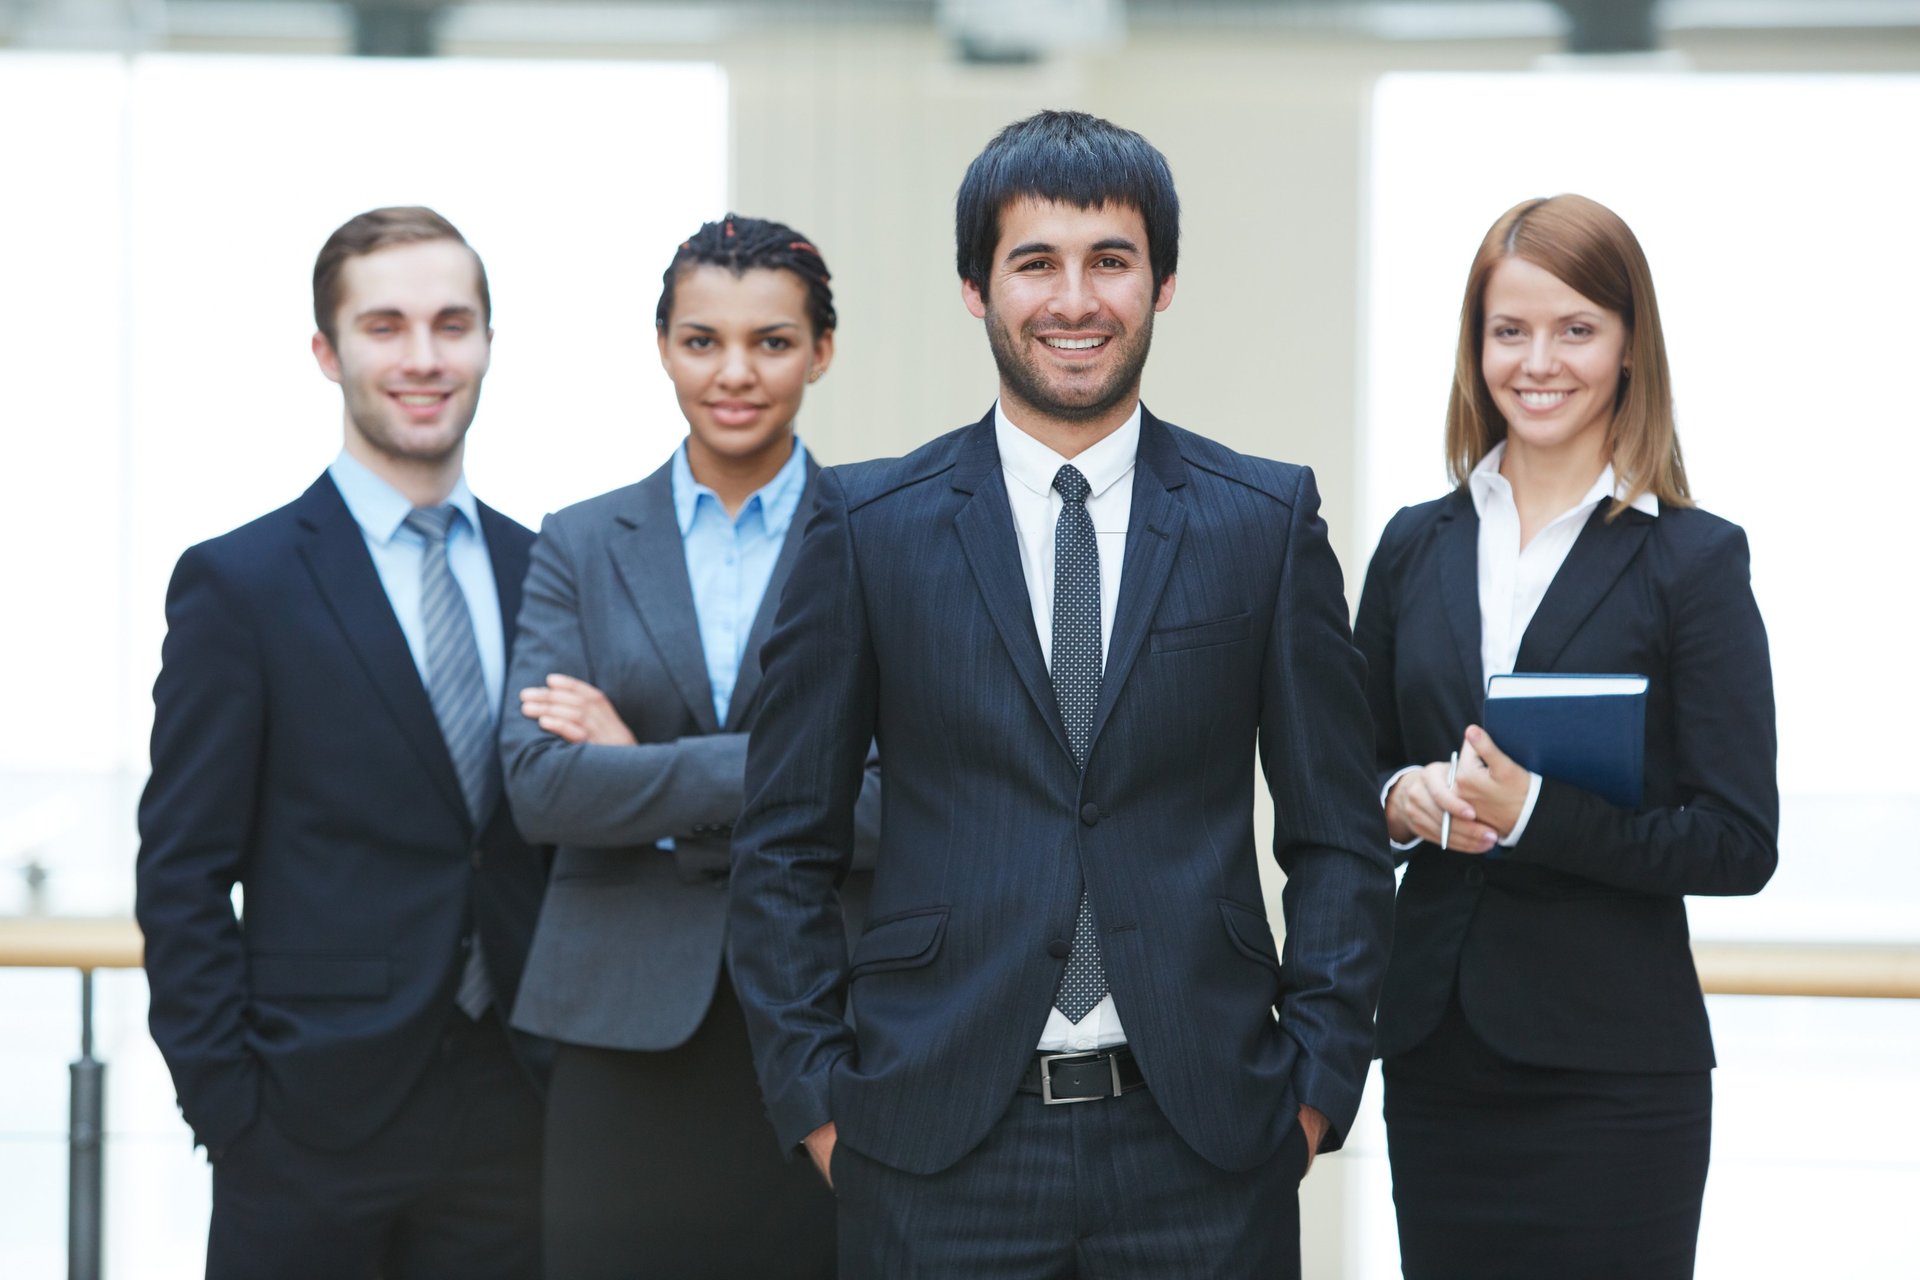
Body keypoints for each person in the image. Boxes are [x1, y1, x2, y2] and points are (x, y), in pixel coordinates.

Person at [726, 110, 1396, 1278]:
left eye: (1111, 260)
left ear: (1164, 282)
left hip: (1206, 1140)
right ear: (976, 288)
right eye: (1035, 261)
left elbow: (1339, 836)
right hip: (933, 1145)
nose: (1074, 299)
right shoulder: (865, 525)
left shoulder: (1265, 521)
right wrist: (824, 1112)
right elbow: (782, 844)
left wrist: (1314, 1094)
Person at [1355, 193, 1778, 1279]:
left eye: (1576, 328)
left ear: (1630, 345)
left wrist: (1534, 812)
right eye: (1510, 330)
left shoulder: (1692, 561)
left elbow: (1738, 839)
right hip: (1439, 1059)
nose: (1539, 361)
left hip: (1616, 1077)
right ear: (1476, 346)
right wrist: (1401, 795)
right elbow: (1346, 768)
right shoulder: (1413, 546)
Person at [135, 206, 549, 1279]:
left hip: (517, 1111)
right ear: (328, 351)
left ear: (489, 343)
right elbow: (182, 871)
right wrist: (230, 1108)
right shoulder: (241, 583)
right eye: (386, 325)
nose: (423, 356)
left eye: (453, 324)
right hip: (303, 1126)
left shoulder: (545, 568)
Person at [500, 214, 877, 1280]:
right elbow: (539, 786)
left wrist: (634, 760)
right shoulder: (579, 539)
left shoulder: (887, 533)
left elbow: (909, 799)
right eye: (702, 339)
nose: (735, 372)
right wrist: (789, 770)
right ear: (663, 344)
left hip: (827, 1012)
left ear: (821, 352)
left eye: (772, 340)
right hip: (620, 1022)